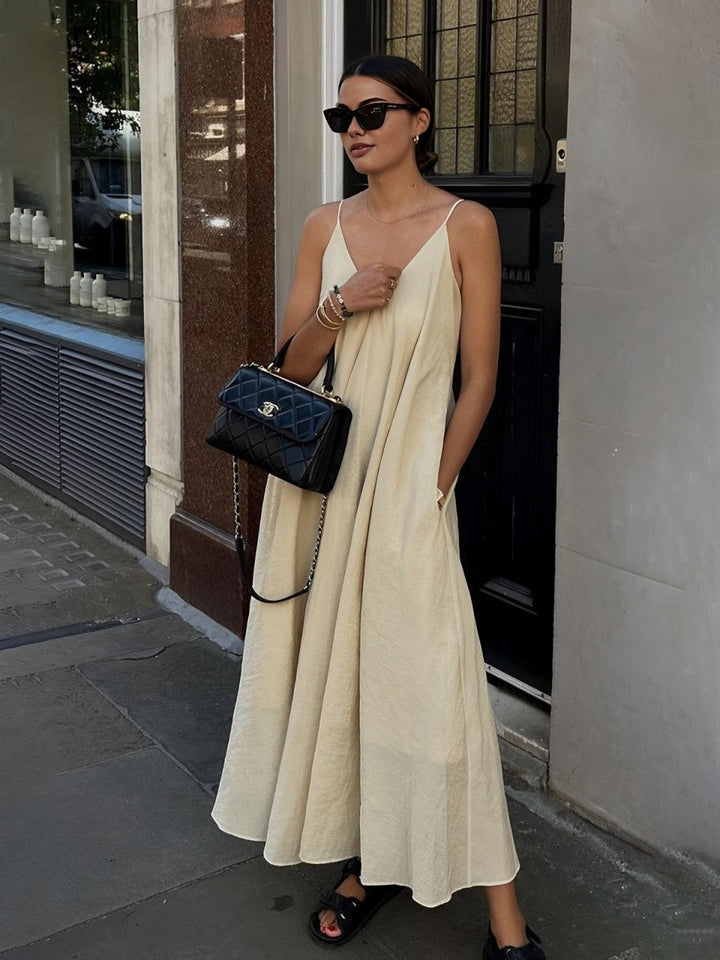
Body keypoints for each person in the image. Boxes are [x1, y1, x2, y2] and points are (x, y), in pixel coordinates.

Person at [211, 54, 546, 960]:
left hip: (407, 490)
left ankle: (506, 923)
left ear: (420, 120)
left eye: (372, 112)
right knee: (343, 676)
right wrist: (339, 304)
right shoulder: (326, 226)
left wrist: (433, 488)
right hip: (322, 489)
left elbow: (480, 378)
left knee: (434, 687)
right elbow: (287, 370)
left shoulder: (467, 225)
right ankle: (369, 863)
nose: (354, 130)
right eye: (341, 118)